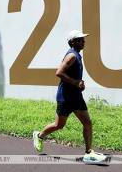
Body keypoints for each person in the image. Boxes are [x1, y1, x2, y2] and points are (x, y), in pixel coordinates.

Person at [32, 30, 107, 164]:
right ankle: (39, 135)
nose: (83, 41)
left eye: (83, 39)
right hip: (65, 97)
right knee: (59, 125)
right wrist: (75, 82)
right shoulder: (72, 56)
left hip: (75, 96)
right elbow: (59, 72)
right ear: (72, 42)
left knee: (87, 123)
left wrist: (79, 84)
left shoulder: (77, 55)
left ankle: (89, 153)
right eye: (79, 39)